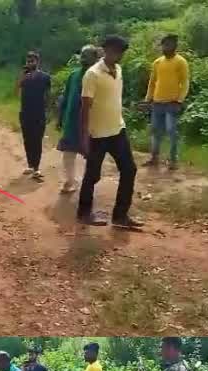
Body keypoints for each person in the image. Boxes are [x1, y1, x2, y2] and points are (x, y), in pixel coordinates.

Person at [78, 35, 142, 228]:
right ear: (105, 50)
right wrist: (83, 137)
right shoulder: (92, 74)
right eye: (115, 51)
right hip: (97, 134)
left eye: (121, 52)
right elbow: (85, 107)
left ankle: (120, 216)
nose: (118, 55)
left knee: (129, 169)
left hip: (117, 129)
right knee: (92, 175)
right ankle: (84, 213)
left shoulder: (119, 69)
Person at [56, 45, 100, 194]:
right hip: (71, 121)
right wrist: (60, 118)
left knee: (91, 155)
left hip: (91, 123)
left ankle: (89, 185)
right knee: (68, 153)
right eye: (82, 55)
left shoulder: (98, 77)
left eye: (87, 56)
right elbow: (66, 97)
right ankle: (70, 181)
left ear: (96, 58)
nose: (83, 58)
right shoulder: (73, 75)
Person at [144, 34, 190, 171]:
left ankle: (173, 160)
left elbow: (185, 82)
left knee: (171, 130)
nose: (166, 47)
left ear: (175, 46)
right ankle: (154, 158)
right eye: (164, 45)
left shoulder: (181, 62)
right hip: (157, 102)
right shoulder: (157, 62)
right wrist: (148, 99)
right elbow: (152, 83)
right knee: (155, 131)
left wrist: (180, 100)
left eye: (169, 45)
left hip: (172, 103)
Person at [15, 50, 53, 181]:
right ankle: (31, 165)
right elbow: (16, 91)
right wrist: (22, 75)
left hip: (39, 113)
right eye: (28, 61)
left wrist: (48, 113)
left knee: (37, 141)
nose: (30, 63)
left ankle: (36, 168)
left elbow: (48, 96)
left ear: (37, 62)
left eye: (32, 61)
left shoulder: (45, 77)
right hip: (25, 113)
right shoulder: (24, 77)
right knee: (27, 140)